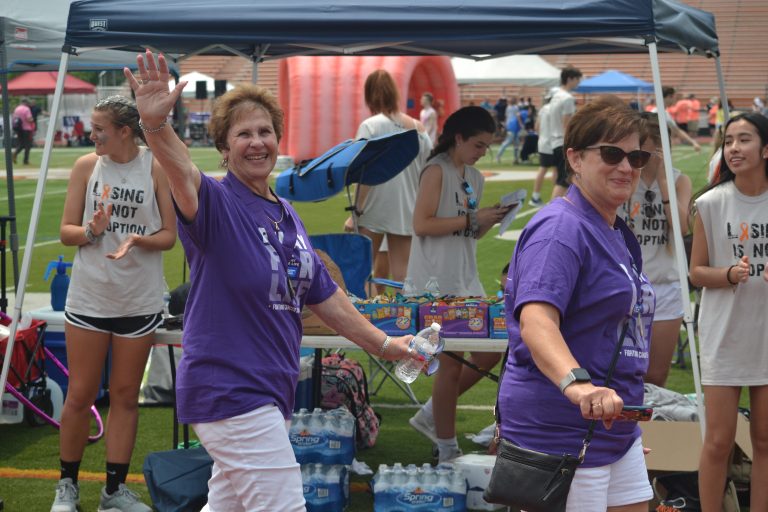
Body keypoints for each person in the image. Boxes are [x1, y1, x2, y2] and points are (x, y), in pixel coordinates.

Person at [122, 50, 423, 511]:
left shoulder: (286, 214)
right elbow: (181, 170)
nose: (257, 142)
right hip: (230, 390)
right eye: (244, 134)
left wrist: (386, 344)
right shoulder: (217, 204)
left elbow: (326, 297)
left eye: (265, 131)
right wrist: (157, 127)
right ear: (224, 148)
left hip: (268, 391)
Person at [499, 99, 655, 511]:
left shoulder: (611, 227)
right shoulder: (560, 229)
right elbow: (537, 322)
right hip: (561, 428)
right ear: (575, 158)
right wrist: (579, 385)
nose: (626, 167)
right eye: (611, 153)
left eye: (636, 156)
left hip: (613, 427)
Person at [52, 95, 177, 512]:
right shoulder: (87, 166)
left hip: (138, 301)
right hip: (90, 297)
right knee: (80, 394)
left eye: (100, 128)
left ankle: (113, 491)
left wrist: (137, 239)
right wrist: (92, 230)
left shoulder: (155, 166)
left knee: (125, 396)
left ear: (125, 130)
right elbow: (68, 232)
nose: (92, 135)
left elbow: (169, 236)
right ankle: (67, 487)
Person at [406, 106, 511, 462]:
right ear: (459, 138)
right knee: (450, 363)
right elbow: (422, 225)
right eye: (478, 145)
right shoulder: (436, 171)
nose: (483, 152)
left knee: (489, 352)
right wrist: (472, 217)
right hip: (436, 281)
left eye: (487, 146)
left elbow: (470, 231)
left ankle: (432, 414)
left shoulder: (474, 177)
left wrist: (489, 220)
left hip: (466, 278)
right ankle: (446, 448)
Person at [689, 112, 768, 512]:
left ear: (766, 148)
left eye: (744, 140)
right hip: (725, 335)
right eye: (728, 141)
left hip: (766, 335)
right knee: (719, 441)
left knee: (765, 440)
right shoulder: (710, 203)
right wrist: (728, 274)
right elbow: (696, 271)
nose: (734, 148)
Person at [619, 112, 692, 386]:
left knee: (656, 374)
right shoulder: (623, 177)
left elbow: (682, 228)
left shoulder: (678, 180)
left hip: (666, 285)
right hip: (626, 285)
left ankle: (649, 428)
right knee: (623, 368)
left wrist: (663, 185)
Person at [344, 70, 433, 291]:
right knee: (404, 275)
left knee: (362, 271)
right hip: (407, 207)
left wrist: (356, 211)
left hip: (374, 207)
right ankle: (404, 322)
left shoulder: (370, 126)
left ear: (369, 96)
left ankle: (362, 319)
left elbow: (363, 172)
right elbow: (428, 171)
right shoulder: (419, 129)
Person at [549, 66, 583, 199]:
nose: (578, 83)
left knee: (560, 177)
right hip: (563, 141)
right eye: (577, 79)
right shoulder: (567, 98)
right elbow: (567, 124)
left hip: (554, 141)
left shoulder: (555, 96)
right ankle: (553, 210)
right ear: (570, 79)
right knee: (563, 181)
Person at [529, 89, 556, 206]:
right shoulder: (557, 109)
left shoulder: (543, 109)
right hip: (555, 143)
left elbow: (536, 127)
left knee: (543, 168)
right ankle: (557, 197)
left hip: (543, 143)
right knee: (558, 170)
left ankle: (535, 196)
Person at [654, 87, 702, 153]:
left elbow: (677, 131)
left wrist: (693, 142)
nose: (675, 100)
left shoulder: (665, 113)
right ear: (669, 97)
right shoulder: (656, 113)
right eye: (674, 97)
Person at [495, 97, 525, 165]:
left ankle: (516, 159)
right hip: (513, 127)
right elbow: (517, 117)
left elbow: (506, 117)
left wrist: (505, 126)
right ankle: (498, 156)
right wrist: (521, 124)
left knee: (516, 143)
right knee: (508, 142)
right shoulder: (515, 107)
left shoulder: (509, 107)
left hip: (512, 127)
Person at [12, 98, 35, 165]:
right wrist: (33, 120)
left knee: (21, 144)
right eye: (28, 103)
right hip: (26, 129)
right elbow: (29, 119)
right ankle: (26, 161)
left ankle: (15, 153)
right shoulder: (26, 109)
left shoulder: (17, 109)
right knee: (28, 145)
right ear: (25, 102)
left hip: (19, 129)